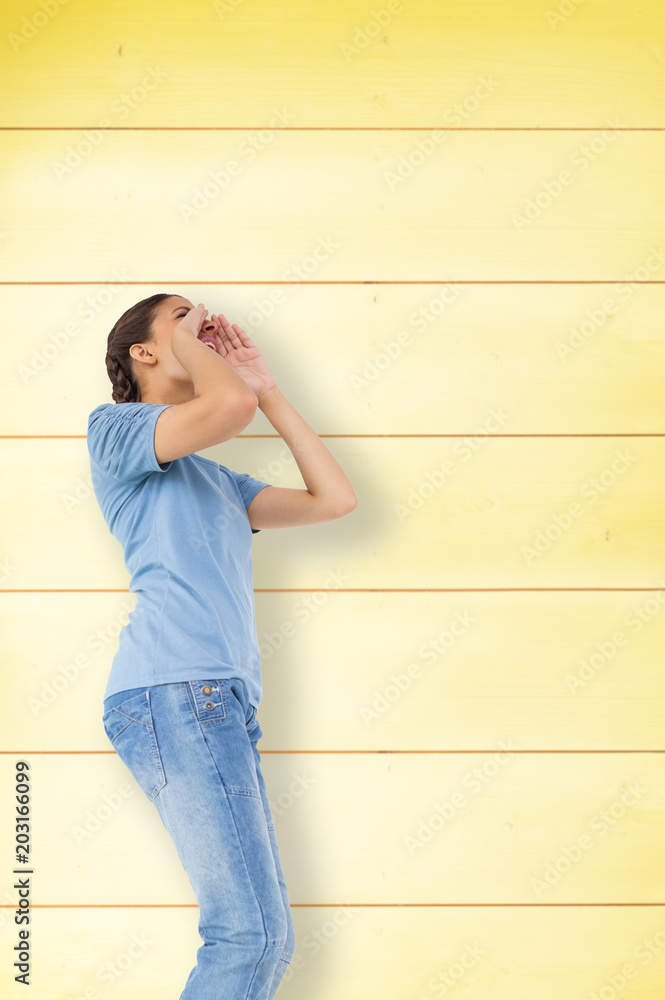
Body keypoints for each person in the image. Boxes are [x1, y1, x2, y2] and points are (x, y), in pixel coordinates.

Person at [87, 293, 357, 999]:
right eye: (184, 316)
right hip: (173, 690)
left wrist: (267, 391)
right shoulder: (115, 430)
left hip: (217, 701)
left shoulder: (219, 480)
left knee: (264, 938)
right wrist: (231, 380)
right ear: (143, 353)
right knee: (248, 936)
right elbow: (223, 407)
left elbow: (332, 500)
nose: (205, 323)